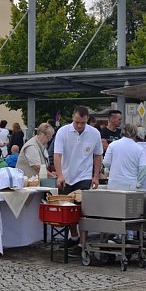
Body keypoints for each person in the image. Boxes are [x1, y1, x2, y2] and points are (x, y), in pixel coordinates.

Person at [54, 106, 102, 247]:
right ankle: (74, 237)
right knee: (68, 209)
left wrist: (96, 176)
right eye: (77, 122)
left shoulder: (94, 133)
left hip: (84, 175)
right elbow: (57, 155)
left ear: (87, 120)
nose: (79, 126)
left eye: (83, 123)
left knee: (82, 210)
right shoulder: (63, 131)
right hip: (67, 175)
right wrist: (60, 175)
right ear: (72, 119)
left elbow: (98, 155)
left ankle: (83, 242)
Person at [104, 124, 146, 190]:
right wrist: (139, 183)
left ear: (122, 132)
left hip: (114, 183)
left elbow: (106, 163)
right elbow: (143, 168)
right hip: (131, 184)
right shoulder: (139, 149)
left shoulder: (112, 145)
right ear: (135, 133)